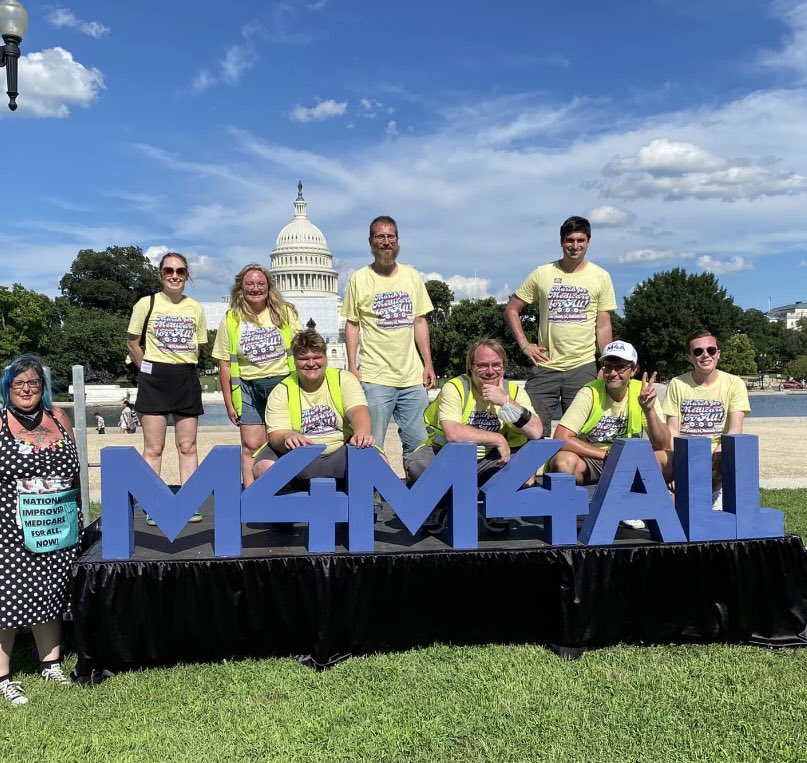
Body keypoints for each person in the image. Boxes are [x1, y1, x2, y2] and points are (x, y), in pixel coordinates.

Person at [0, 354, 80, 705]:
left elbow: (75, 466)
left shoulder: (59, 417)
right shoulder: (0, 422)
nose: (26, 389)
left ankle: (51, 663)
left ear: (43, 387)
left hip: (58, 525)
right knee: (7, 600)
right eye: (18, 383)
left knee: (51, 592)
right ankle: (3, 677)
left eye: (33, 382)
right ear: (7, 388)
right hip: (10, 526)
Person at [405, 338, 544, 533]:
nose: (490, 371)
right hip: (446, 455)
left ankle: (492, 508)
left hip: (490, 460)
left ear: (504, 366)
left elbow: (536, 431)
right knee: (418, 466)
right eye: (482, 365)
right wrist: (497, 438)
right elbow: (452, 431)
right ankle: (438, 506)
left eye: (496, 365)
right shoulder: (456, 387)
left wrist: (505, 402)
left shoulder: (513, 391)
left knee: (522, 464)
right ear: (471, 367)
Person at [505, 216, 617, 437]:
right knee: (531, 431)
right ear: (561, 241)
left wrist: (606, 363)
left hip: (582, 366)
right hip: (546, 365)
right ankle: (529, 473)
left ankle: (569, 472)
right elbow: (511, 309)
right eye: (570, 240)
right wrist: (525, 345)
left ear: (588, 242)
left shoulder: (601, 276)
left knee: (581, 433)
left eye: (580, 240)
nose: (575, 246)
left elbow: (603, 325)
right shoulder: (542, 273)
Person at [342, 215, 436, 458]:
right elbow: (352, 324)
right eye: (380, 237)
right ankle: (370, 492)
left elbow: (419, 321)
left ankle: (419, 490)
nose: (386, 242)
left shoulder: (412, 276)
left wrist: (428, 363)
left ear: (397, 240)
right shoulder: (359, 279)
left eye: (390, 236)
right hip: (375, 376)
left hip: (411, 376)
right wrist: (352, 365)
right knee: (370, 442)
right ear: (371, 241)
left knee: (420, 443)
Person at [549, 341, 670, 529]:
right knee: (563, 461)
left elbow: (663, 443)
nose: (613, 373)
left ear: (633, 370)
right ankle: (569, 513)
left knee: (667, 458)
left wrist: (649, 411)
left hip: (629, 461)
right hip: (595, 459)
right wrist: (605, 455)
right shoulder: (590, 392)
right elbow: (561, 437)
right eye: (608, 367)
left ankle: (627, 501)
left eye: (621, 367)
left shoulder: (642, 392)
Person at [126, 252, 207, 523]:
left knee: (187, 445)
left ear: (187, 275)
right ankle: (153, 504)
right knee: (153, 448)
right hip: (155, 377)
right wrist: (147, 370)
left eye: (180, 271)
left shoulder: (195, 308)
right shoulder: (145, 304)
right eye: (169, 270)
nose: (174, 276)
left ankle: (190, 503)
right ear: (160, 274)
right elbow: (133, 343)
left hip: (185, 376)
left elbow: (198, 345)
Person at [213, 264, 302, 487]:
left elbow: (303, 347)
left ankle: (286, 492)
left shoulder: (285, 313)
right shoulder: (231, 319)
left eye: (261, 283)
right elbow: (224, 363)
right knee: (251, 445)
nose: (255, 288)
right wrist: (228, 403)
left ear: (269, 286)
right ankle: (251, 498)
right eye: (250, 284)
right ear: (240, 288)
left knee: (285, 442)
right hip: (247, 387)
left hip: (282, 384)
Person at [253, 330, 375, 486]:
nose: (311, 363)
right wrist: (287, 436)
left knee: (379, 461)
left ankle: (367, 503)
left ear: (326, 358)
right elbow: (276, 435)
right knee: (263, 468)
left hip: (339, 450)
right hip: (296, 455)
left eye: (317, 357)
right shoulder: (281, 390)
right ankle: (281, 508)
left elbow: (358, 411)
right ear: (295, 360)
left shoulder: (343, 379)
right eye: (304, 358)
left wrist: (362, 433)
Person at [661, 329, 751, 509]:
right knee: (658, 459)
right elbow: (672, 431)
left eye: (711, 350)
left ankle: (710, 495)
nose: (705, 355)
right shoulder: (677, 384)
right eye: (698, 351)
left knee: (723, 456)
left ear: (718, 354)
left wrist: (719, 450)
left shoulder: (734, 384)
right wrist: (679, 466)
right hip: (686, 452)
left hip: (716, 453)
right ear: (689, 357)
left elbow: (735, 428)